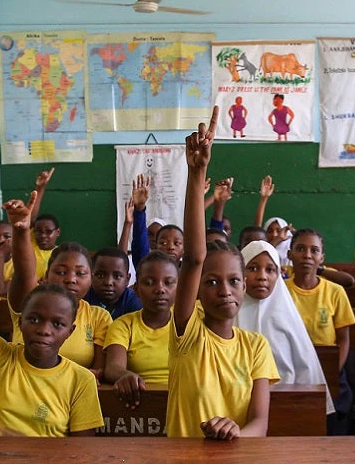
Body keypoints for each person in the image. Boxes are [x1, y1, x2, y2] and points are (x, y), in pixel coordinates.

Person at [0, 197, 103, 436]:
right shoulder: (0, 359)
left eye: (57, 324)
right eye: (34, 319)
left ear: (70, 331)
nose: (44, 330)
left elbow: (81, 452)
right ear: (20, 320)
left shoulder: (80, 380)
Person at [167, 108, 279, 440]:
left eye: (233, 281)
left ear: (244, 286)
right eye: (212, 282)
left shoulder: (256, 346)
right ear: (197, 291)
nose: (225, 290)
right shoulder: (187, 333)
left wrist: (233, 435)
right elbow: (194, 258)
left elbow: (259, 424)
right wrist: (198, 172)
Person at [6, 194, 111, 375]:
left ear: (91, 278)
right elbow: (24, 275)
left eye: (80, 273)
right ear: (46, 276)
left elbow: (99, 371)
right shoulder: (31, 304)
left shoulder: (98, 317)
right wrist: (21, 231)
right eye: (61, 272)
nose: (71, 279)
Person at [238, 241, 333, 414]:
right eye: (252, 268)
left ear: (278, 274)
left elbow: (306, 371)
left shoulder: (287, 316)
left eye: (270, 270)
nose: (262, 276)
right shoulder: (228, 316)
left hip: (285, 406)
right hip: (234, 404)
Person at [285, 228, 355, 415]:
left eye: (314, 250)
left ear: (322, 258)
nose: (307, 255)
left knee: (336, 416)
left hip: (329, 367)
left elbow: (343, 339)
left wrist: (333, 371)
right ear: (289, 254)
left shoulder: (335, 292)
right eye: (300, 249)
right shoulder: (280, 292)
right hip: (291, 367)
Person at [103, 251, 178, 407]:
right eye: (150, 282)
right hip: (140, 400)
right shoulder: (124, 325)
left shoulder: (189, 322)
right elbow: (112, 367)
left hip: (183, 399)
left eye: (168, 282)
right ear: (136, 288)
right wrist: (126, 376)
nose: (160, 289)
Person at [85, 247, 141, 320]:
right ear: (91, 276)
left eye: (117, 276)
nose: (108, 282)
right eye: (100, 275)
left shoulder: (135, 303)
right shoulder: (83, 300)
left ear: (127, 279)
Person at [28, 168, 57, 281]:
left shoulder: (59, 254)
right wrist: (40, 188)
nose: (43, 235)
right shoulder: (31, 244)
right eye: (38, 231)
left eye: (49, 232)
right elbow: (31, 217)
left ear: (57, 232)